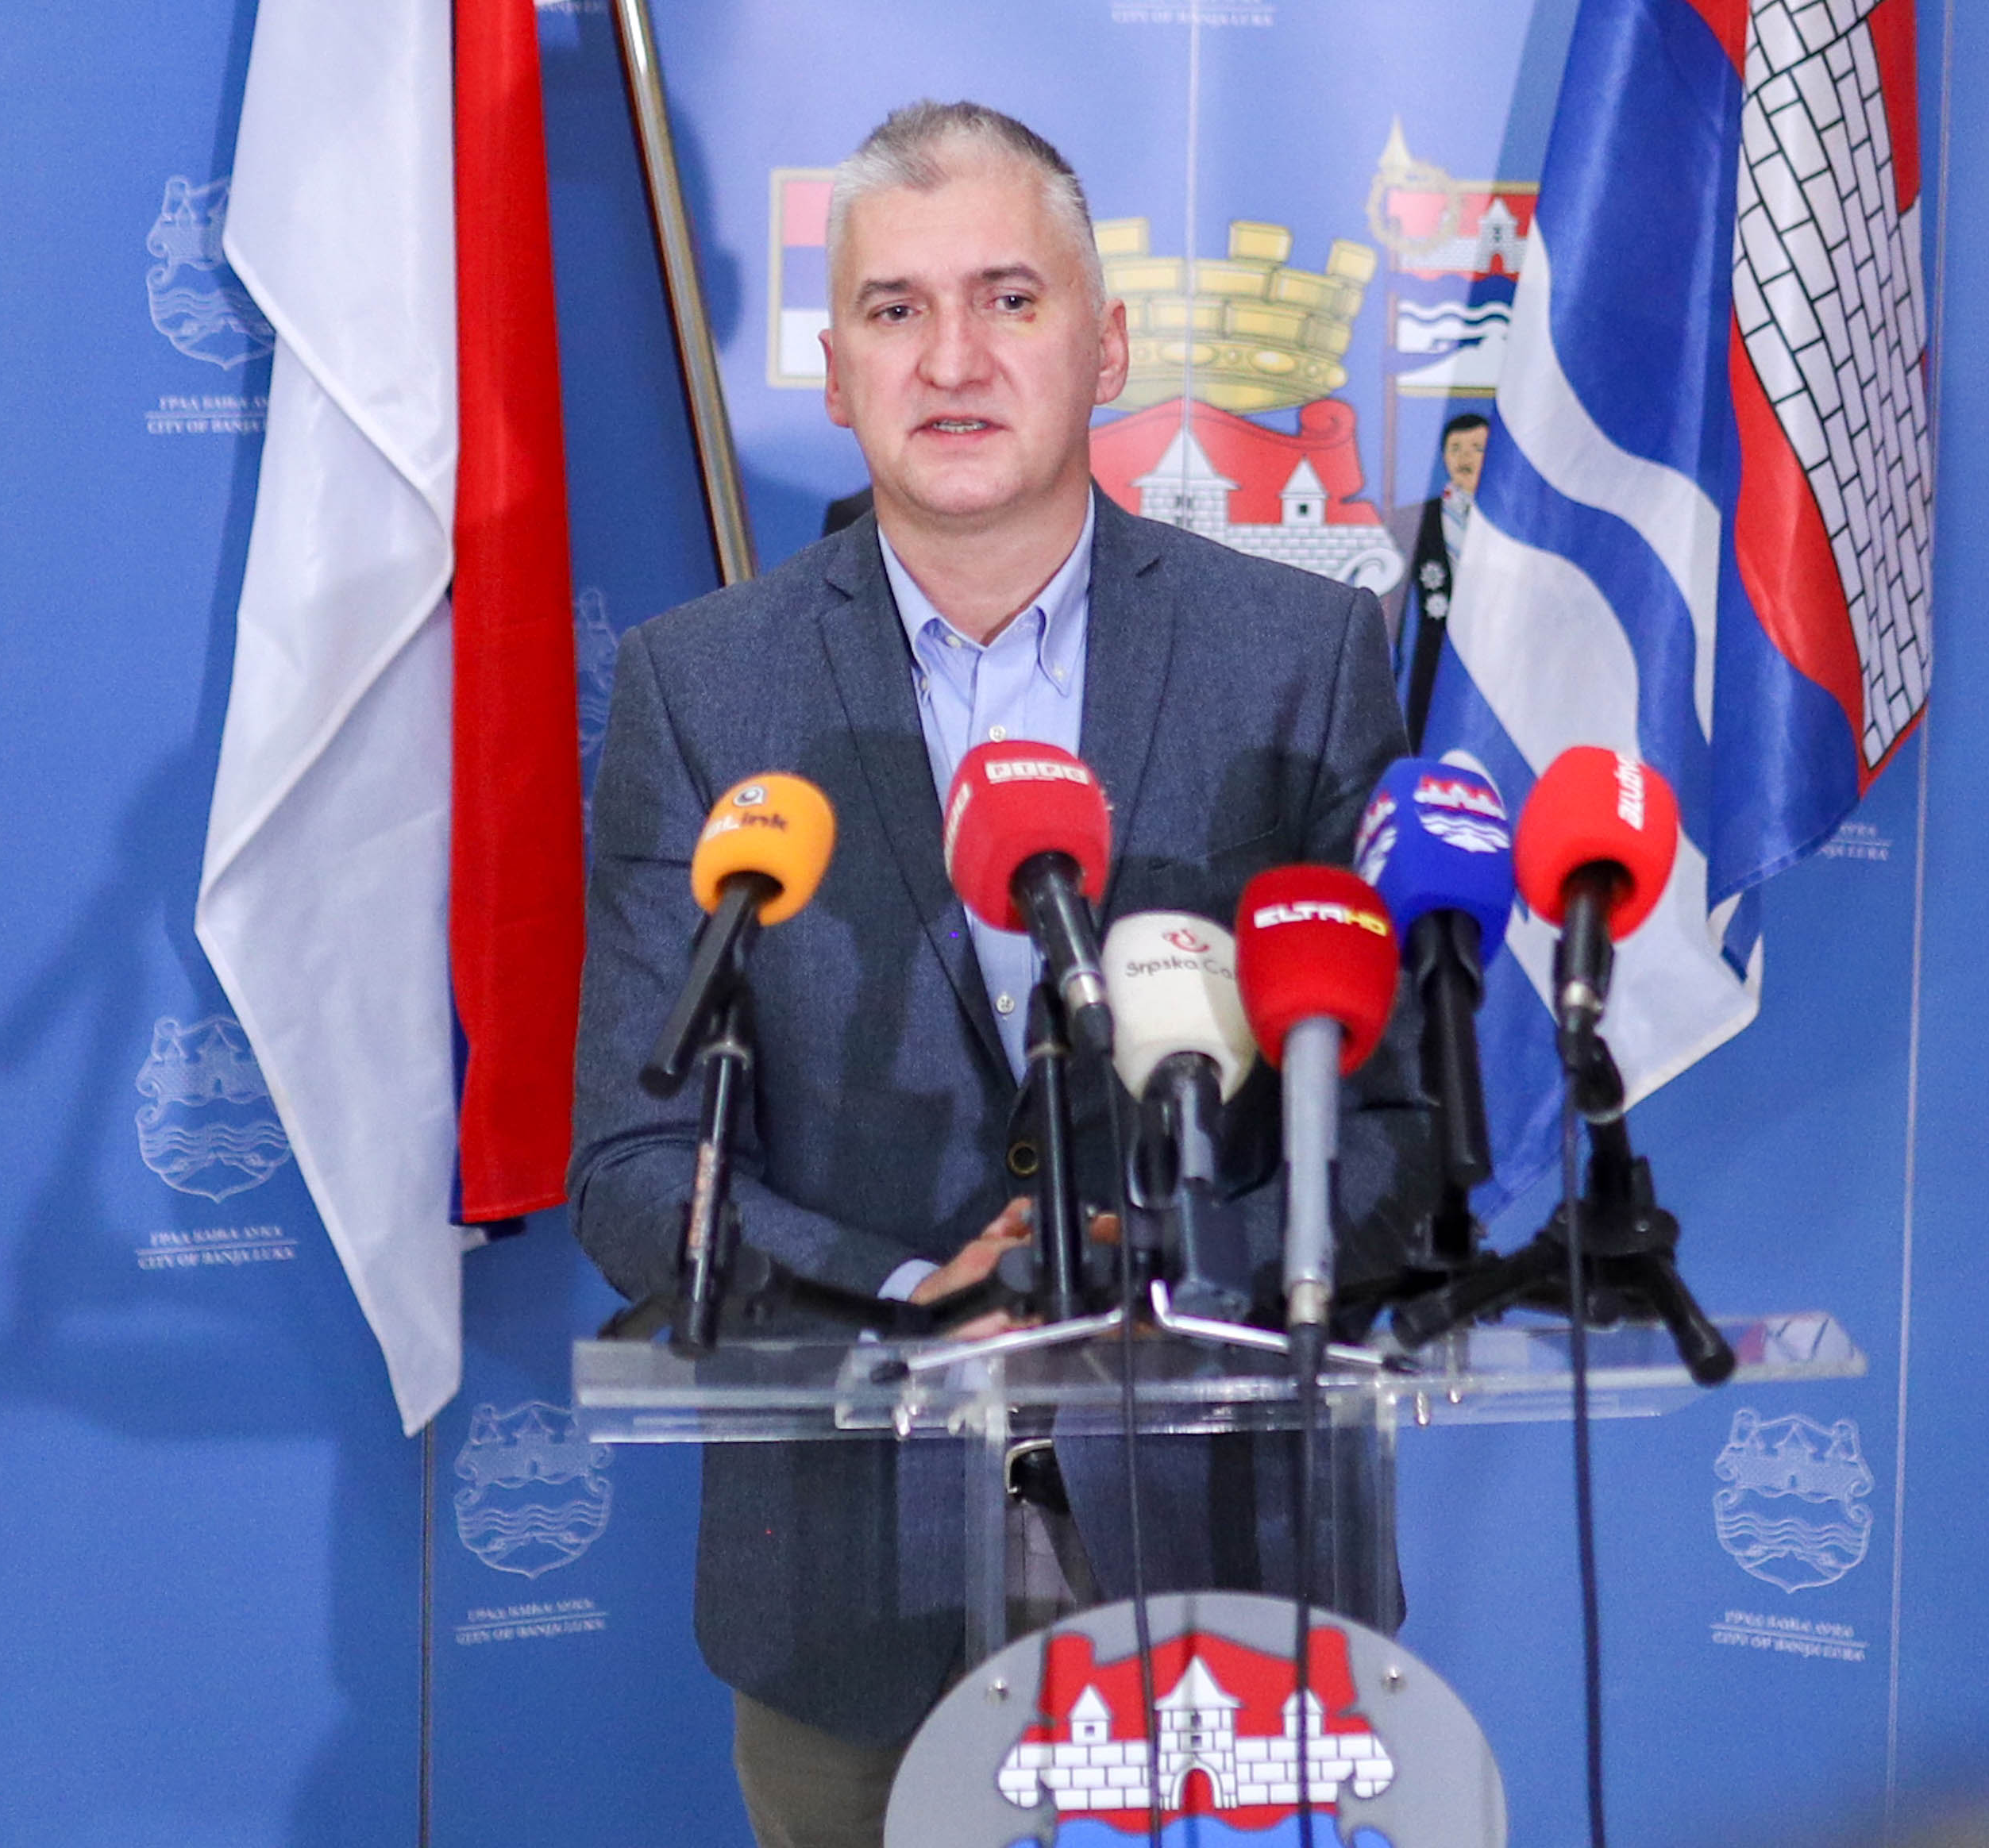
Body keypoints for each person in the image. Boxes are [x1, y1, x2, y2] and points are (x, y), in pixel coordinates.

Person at [569, 100, 1427, 1848]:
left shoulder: (1306, 656)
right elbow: (638, 1165)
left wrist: (1164, 1282)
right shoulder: (698, 690)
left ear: (1105, 347)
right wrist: (915, 1298)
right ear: (832, 369)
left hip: (1234, 1575)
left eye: (1008, 300)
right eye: (894, 309)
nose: (951, 360)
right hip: (850, 1603)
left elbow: (1397, 1126)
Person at [1381, 410, 1489, 749]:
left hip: (1494, 650)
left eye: (1477, 448)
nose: (1464, 457)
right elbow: (1395, 598)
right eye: (1455, 448)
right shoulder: (1413, 518)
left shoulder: (1511, 520)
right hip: (1436, 652)